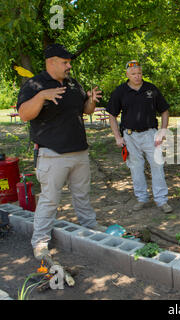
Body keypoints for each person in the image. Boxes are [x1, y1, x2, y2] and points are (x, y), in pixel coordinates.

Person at [16, 44, 105, 261]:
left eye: (69, 62)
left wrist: (91, 100)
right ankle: (40, 241)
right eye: (65, 62)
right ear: (51, 62)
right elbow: (24, 114)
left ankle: (90, 227)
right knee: (49, 200)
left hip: (79, 151)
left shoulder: (73, 84)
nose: (69, 66)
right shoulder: (34, 84)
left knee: (82, 195)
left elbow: (84, 110)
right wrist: (41, 97)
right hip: (52, 154)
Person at [106, 60, 172, 213]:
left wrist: (163, 130)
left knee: (157, 166)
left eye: (139, 73)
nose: (137, 76)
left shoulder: (151, 89)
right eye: (133, 74)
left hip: (150, 134)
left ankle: (161, 200)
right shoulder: (120, 91)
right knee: (136, 168)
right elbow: (112, 115)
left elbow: (165, 110)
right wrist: (117, 136)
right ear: (127, 75)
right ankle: (141, 198)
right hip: (130, 136)